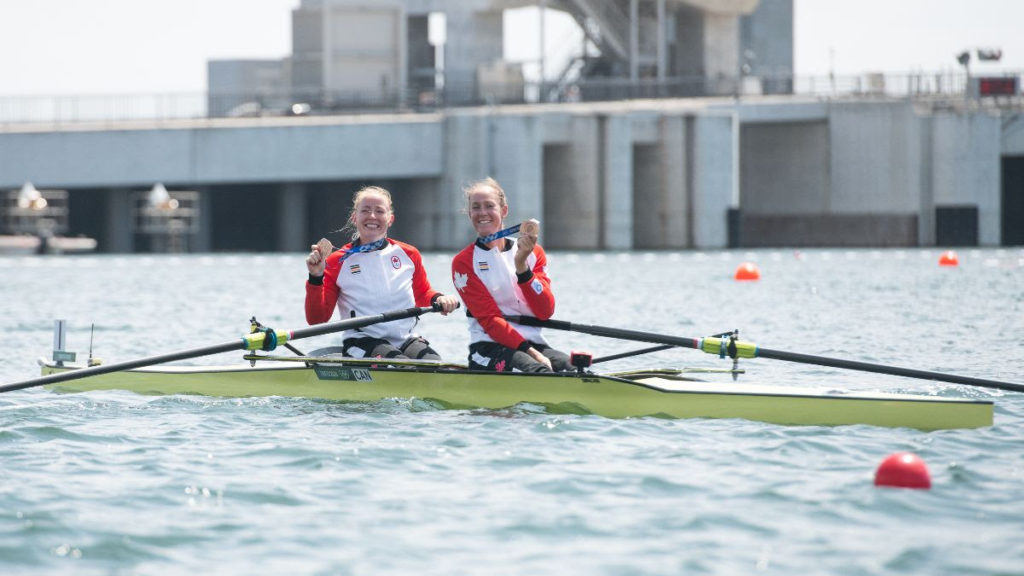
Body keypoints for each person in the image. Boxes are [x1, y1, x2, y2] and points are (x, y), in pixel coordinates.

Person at [305, 185, 460, 360]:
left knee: (434, 364)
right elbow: (317, 319)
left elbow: (422, 292)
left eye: (379, 211)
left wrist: (439, 299)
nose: (372, 216)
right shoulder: (337, 261)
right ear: (354, 218)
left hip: (405, 340)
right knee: (400, 364)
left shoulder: (409, 254)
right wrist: (316, 277)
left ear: (390, 219)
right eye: (365, 210)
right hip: (362, 342)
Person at [451, 177, 571, 372]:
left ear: (503, 210)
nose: (482, 213)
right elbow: (490, 320)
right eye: (476, 207)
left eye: (489, 206)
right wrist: (534, 354)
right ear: (469, 213)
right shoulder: (463, 262)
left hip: (533, 343)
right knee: (538, 371)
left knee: (573, 368)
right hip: (488, 347)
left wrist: (522, 266)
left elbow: (545, 311)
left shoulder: (533, 252)